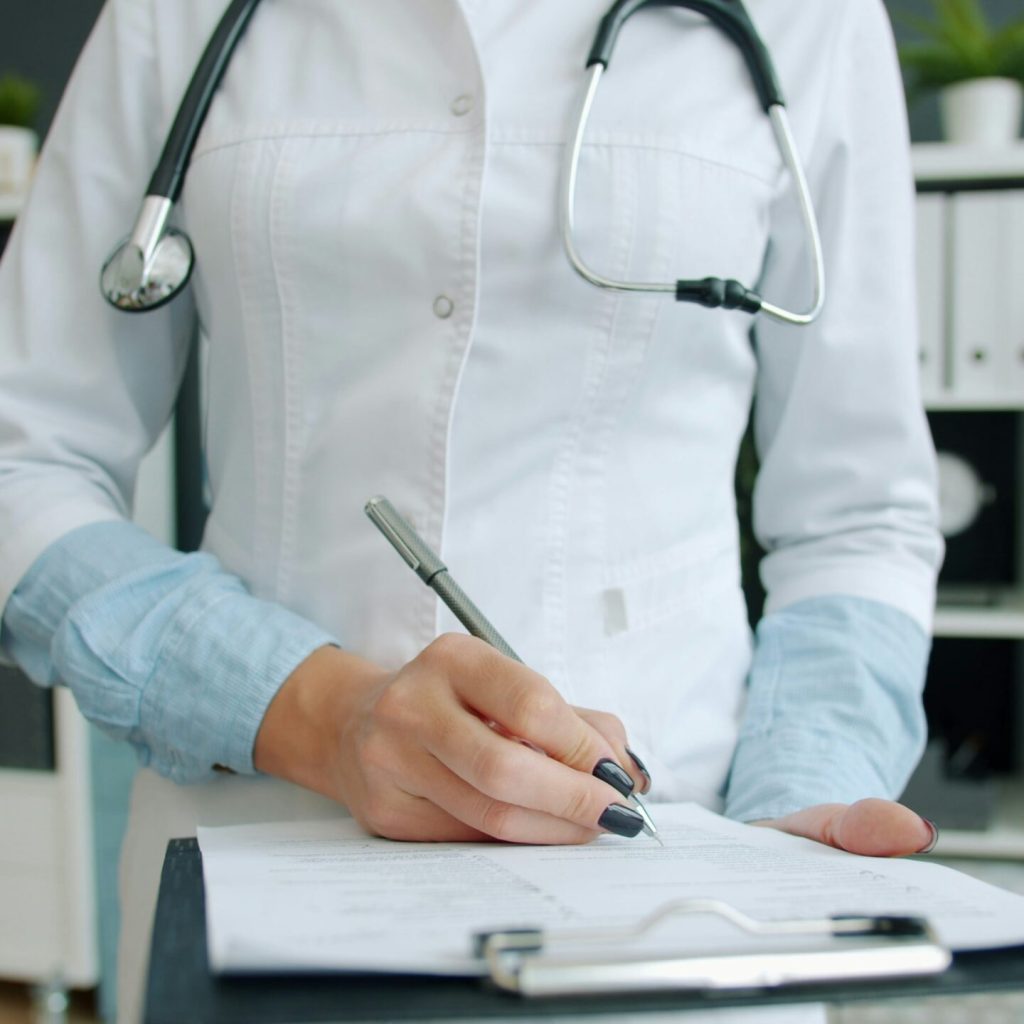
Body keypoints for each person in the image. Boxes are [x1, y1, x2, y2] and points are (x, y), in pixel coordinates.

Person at [0, 0, 942, 1019]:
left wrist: (796, 805)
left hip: (678, 892)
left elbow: (857, 513)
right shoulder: (171, 15)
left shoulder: (815, 20)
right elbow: (23, 453)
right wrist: (315, 710)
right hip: (266, 858)